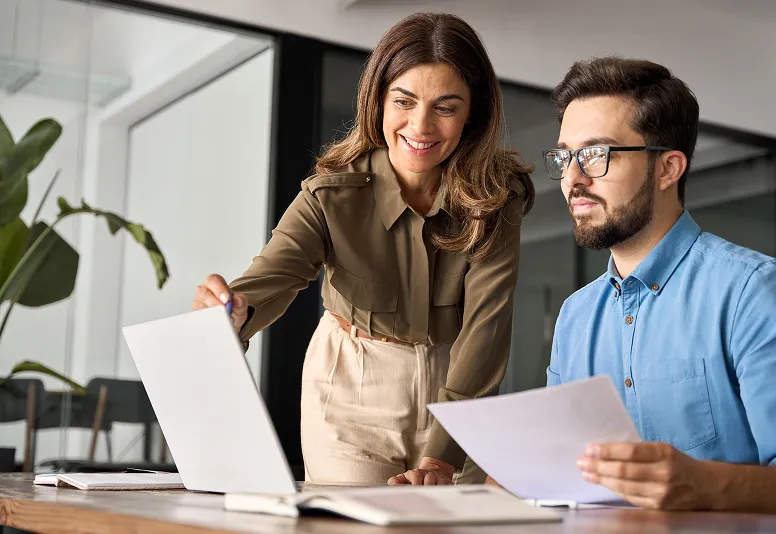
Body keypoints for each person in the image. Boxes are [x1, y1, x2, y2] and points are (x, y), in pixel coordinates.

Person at [191, 12, 534, 486]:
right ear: (378, 101)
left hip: (460, 388)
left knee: (452, 518)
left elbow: (486, 329)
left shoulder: (496, 199)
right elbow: (271, 278)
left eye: (445, 107)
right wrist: (230, 311)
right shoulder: (330, 195)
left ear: (472, 113)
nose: (421, 125)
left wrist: (442, 456)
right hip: (351, 389)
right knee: (355, 519)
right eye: (404, 101)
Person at [542, 56, 776, 517]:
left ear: (667, 169)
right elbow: (560, 468)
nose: (573, 179)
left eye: (596, 155)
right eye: (565, 157)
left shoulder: (756, 292)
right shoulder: (575, 317)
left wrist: (708, 487)